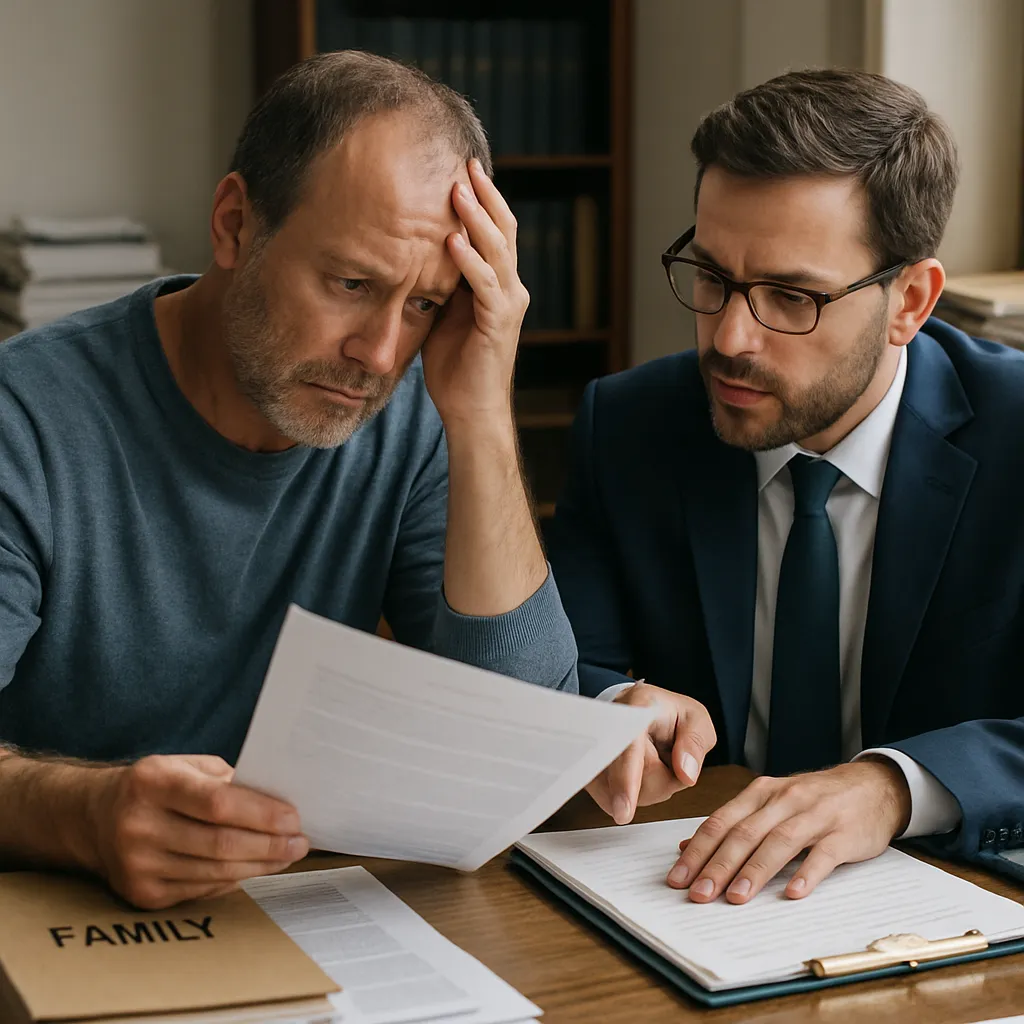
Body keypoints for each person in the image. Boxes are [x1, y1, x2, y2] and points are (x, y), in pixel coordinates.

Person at [0, 51, 578, 909]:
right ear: (235, 223)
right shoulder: (26, 420)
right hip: (61, 915)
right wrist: (81, 816)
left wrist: (484, 414)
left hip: (303, 912)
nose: (379, 356)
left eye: (424, 305)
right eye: (352, 283)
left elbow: (521, 739)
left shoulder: (415, 414)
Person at [549, 68, 1024, 906]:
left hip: (951, 915)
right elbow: (564, 664)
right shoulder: (627, 425)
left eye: (790, 296)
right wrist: (615, 705)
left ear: (910, 301)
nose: (730, 338)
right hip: (685, 897)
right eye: (712, 278)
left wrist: (892, 787)